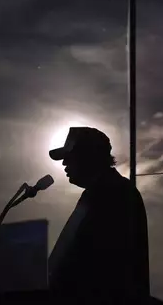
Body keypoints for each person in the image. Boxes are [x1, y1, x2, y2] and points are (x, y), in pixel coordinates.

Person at [48, 127, 150, 303]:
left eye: (69, 157)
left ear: (88, 157)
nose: (64, 164)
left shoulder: (114, 192)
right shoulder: (101, 191)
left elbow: (102, 262)